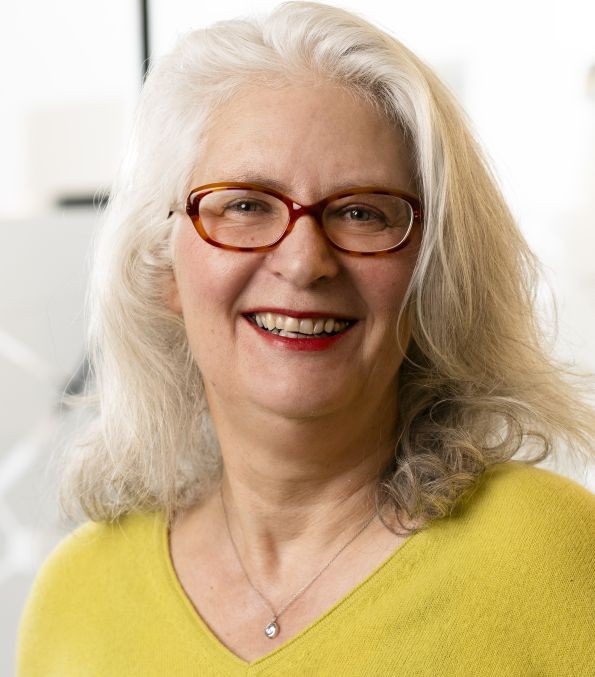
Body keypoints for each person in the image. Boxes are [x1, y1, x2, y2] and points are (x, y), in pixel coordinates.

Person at [17, 2, 595, 675]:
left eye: (361, 213)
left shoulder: (554, 556)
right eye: (245, 205)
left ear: (430, 274)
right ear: (164, 264)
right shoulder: (75, 595)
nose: (303, 262)